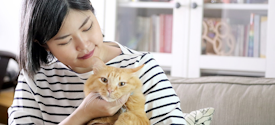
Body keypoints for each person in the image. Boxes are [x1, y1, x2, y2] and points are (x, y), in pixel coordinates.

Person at [8, 0, 186, 124]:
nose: (84, 46)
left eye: (87, 27)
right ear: (44, 45)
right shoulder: (34, 77)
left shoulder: (141, 68)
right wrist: (83, 114)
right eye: (65, 41)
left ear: (93, 11)